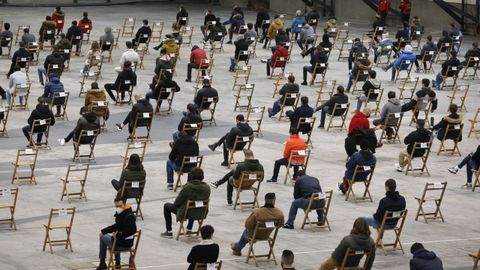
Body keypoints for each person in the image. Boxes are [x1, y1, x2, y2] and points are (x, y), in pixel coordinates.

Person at [161, 167, 210, 237]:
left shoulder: (187, 188)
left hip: (187, 213)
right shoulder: (207, 187)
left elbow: (177, 203)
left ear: (192, 176)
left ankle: (169, 231)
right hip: (201, 212)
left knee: (166, 206)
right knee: (194, 204)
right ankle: (189, 229)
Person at [96, 197, 137, 270]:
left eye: (120, 206)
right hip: (123, 241)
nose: (118, 208)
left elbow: (133, 230)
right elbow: (116, 226)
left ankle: (102, 263)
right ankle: (117, 263)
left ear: (124, 204)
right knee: (109, 236)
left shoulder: (128, 216)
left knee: (103, 237)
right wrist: (104, 231)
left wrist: (118, 234)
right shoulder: (124, 213)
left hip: (124, 243)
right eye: (116, 206)